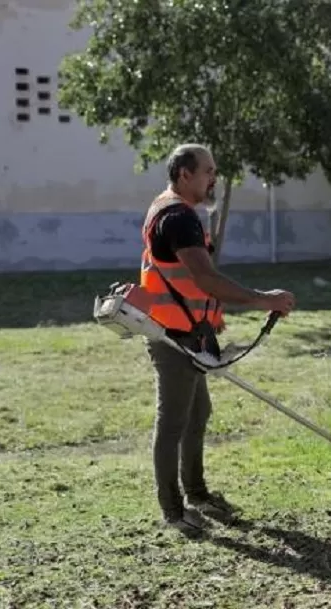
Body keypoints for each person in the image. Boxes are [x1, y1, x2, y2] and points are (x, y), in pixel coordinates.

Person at [140, 143, 296, 535]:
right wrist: (265, 300)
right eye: (208, 171)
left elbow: (187, 279)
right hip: (174, 337)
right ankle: (174, 512)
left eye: (214, 170)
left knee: (197, 415)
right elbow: (205, 278)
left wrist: (211, 318)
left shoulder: (173, 209)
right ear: (184, 175)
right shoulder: (177, 217)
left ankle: (197, 494)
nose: (215, 178)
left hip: (190, 330)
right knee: (173, 422)